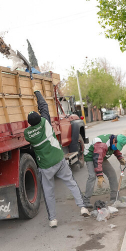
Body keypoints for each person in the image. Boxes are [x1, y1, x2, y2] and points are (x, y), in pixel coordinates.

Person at [24, 90, 90, 228]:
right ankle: (83, 207)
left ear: (29, 124)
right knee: (71, 182)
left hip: (45, 166)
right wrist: (37, 92)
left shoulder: (28, 134)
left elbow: (30, 133)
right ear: (40, 119)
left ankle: (53, 219)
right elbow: (44, 107)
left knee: (48, 193)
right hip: (59, 160)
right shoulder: (45, 122)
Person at [83, 134, 126, 208]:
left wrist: (120, 158)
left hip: (100, 155)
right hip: (90, 156)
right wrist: (100, 175)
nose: (117, 147)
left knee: (112, 174)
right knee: (92, 176)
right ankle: (86, 201)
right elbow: (97, 160)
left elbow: (115, 149)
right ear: (114, 140)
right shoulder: (102, 145)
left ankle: (114, 197)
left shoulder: (114, 141)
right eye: (117, 145)